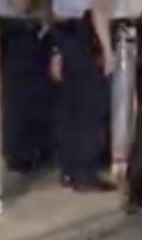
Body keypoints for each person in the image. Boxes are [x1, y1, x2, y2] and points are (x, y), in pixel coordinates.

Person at [50, 0, 118, 192]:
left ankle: (69, 168)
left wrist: (56, 50)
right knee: (92, 103)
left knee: (71, 103)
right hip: (86, 32)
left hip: (64, 29)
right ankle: (85, 171)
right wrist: (107, 50)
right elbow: (99, 6)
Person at [0, 0, 55, 175]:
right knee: (21, 95)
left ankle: (34, 150)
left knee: (35, 94)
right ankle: (20, 153)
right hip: (21, 28)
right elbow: (20, 5)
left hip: (30, 27)